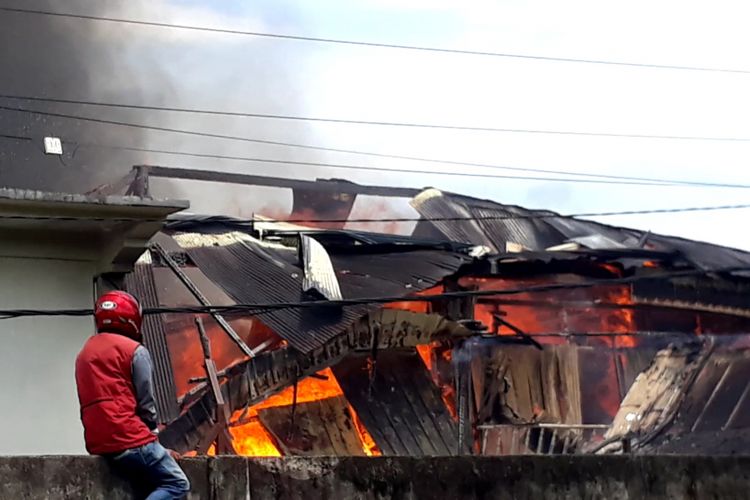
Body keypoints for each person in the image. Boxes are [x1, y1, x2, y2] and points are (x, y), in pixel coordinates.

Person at [75, 291, 190, 500]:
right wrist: (154, 441)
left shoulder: (84, 353)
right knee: (178, 484)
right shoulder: (134, 351)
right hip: (128, 439)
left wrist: (159, 452)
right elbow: (146, 404)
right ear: (132, 317)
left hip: (98, 443)